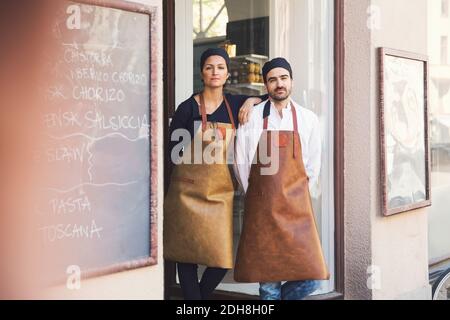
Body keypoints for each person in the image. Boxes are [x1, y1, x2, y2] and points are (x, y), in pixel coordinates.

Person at [164, 48, 266, 300]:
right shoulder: (187, 108)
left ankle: (195, 298)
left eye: (220, 67)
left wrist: (252, 101)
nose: (215, 72)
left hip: (220, 193)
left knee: (221, 259)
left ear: (227, 73)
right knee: (185, 254)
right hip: (187, 192)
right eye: (209, 67)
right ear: (202, 72)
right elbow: (173, 153)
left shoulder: (233, 103)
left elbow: (268, 97)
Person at [233, 57, 329, 300]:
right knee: (269, 284)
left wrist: (296, 195)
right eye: (273, 79)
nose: (279, 84)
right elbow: (241, 162)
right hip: (263, 209)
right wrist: (257, 194)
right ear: (266, 85)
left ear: (291, 81)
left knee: (314, 277)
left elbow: (312, 166)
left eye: (283, 78)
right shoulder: (252, 117)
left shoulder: (308, 119)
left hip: (297, 209)